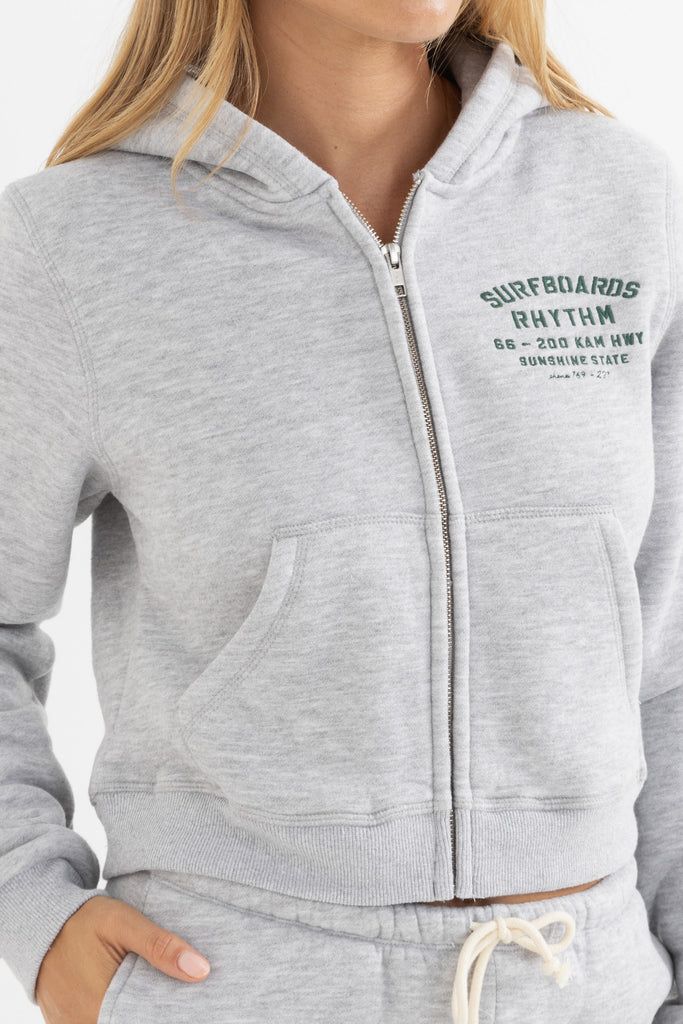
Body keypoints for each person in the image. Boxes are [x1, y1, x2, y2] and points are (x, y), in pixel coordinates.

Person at [0, 0, 681, 1021]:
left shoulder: (617, 197)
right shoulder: (72, 245)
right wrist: (30, 905)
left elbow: (665, 647)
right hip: (238, 981)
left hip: (586, 979)